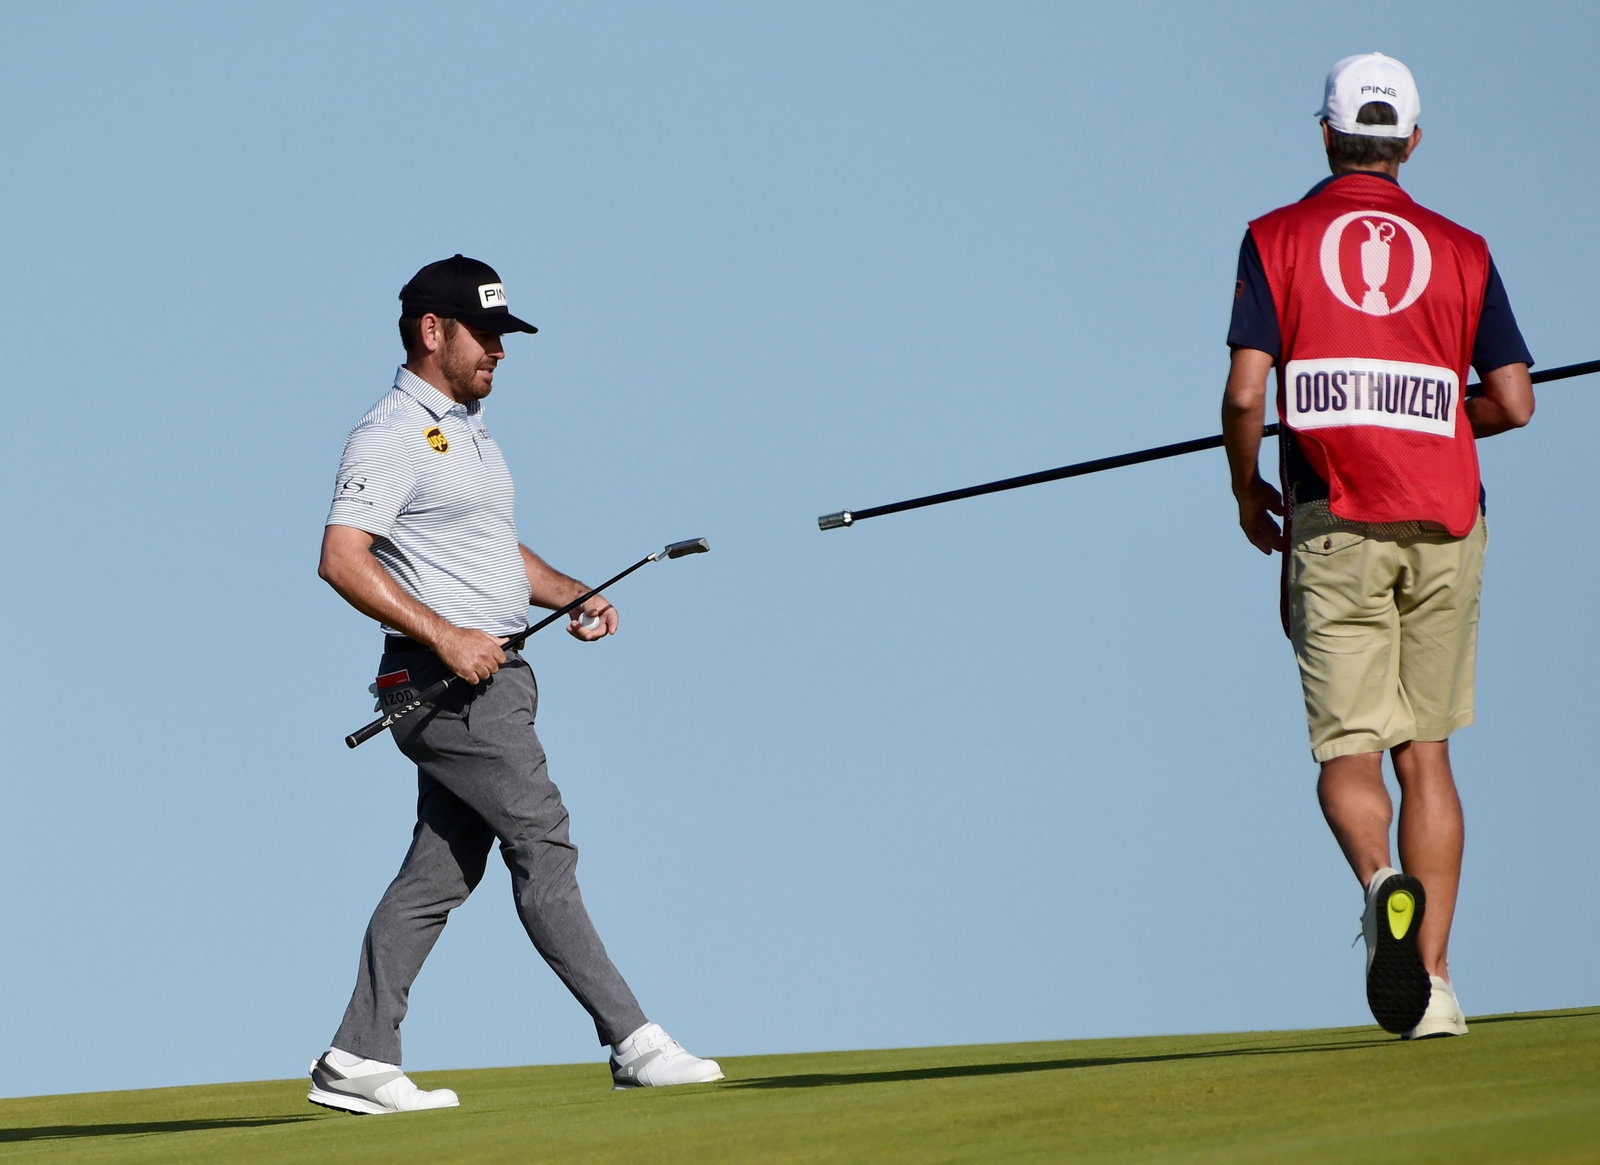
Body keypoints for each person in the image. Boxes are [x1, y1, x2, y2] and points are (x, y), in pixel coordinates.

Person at [308, 255, 722, 1114]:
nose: (501, 349)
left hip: (489, 679)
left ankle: (357, 1054)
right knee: (545, 840)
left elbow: (492, 552)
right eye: (486, 333)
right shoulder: (389, 433)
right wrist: (448, 634)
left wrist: (572, 591)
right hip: (443, 685)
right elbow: (341, 559)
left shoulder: (469, 432)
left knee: (440, 873)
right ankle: (634, 1039)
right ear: (433, 332)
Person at [1221, 54, 1534, 1040]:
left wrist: (1243, 489)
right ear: (1410, 142)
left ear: (1324, 134)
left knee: (1347, 747)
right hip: (1444, 518)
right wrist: (1435, 419)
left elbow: (1244, 395)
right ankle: (1434, 984)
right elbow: (1514, 401)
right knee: (1425, 755)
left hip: (1332, 515)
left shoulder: (1274, 237)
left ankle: (1378, 879)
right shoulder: (1463, 248)